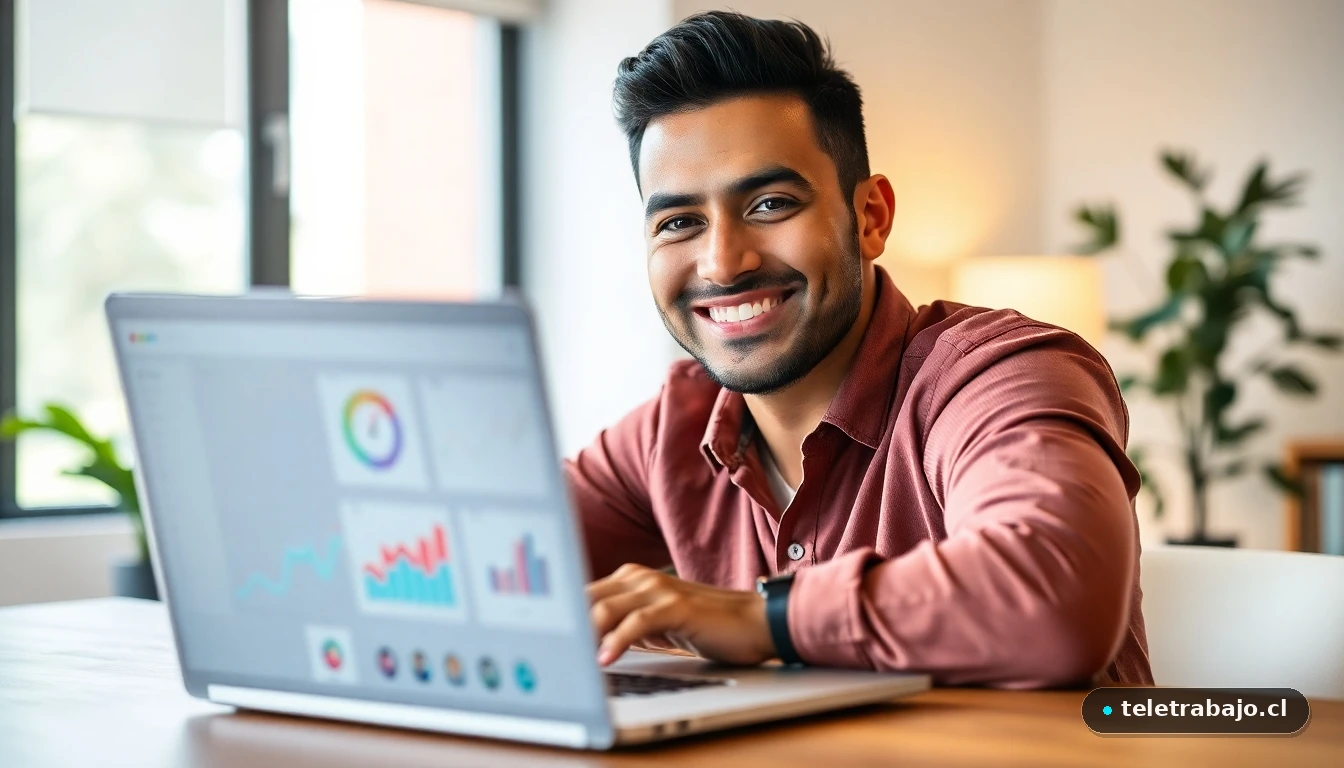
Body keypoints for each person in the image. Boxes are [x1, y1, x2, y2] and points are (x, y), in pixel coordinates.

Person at [573, 11, 1152, 687]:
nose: (722, 263)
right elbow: (462, 566)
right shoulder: (672, 432)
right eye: (679, 222)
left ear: (870, 217)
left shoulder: (1002, 376)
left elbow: (1054, 600)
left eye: (769, 204)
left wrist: (764, 620)